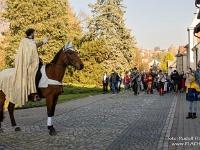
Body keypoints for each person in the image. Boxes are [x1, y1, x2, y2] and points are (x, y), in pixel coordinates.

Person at [15, 28, 50, 102]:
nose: (34, 34)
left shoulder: (30, 42)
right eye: (34, 33)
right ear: (31, 34)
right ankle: (34, 93)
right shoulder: (26, 41)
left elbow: (33, 51)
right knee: (38, 74)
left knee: (44, 71)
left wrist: (38, 58)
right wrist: (44, 41)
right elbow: (33, 48)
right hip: (28, 63)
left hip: (34, 62)